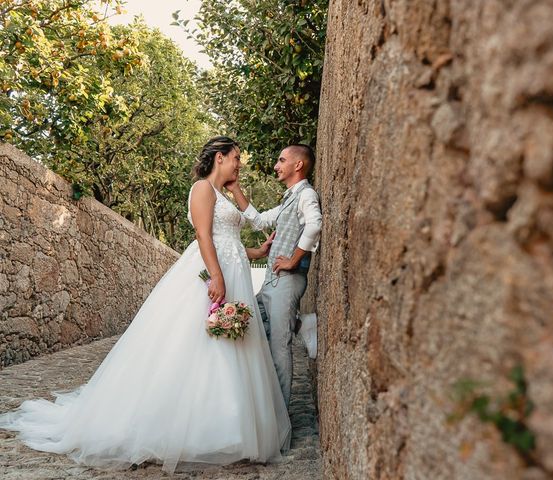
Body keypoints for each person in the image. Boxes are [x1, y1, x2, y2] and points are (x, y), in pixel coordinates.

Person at [0, 136, 291, 474]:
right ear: (220, 157)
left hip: (232, 268)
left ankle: (225, 425)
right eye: (237, 158)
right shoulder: (202, 189)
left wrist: (258, 251)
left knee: (228, 346)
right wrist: (216, 277)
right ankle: (181, 427)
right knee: (194, 344)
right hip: (211, 273)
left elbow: (234, 240)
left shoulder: (225, 193)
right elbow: (203, 235)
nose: (240, 163)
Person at [227, 144, 322, 407]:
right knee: (252, 319)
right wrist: (235, 189)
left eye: (281, 160)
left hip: (287, 281)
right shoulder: (289, 199)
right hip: (272, 281)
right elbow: (259, 221)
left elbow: (315, 225)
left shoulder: (306, 195)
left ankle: (280, 416)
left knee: (279, 348)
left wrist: (293, 260)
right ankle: (301, 324)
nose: (276, 166)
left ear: (298, 165)